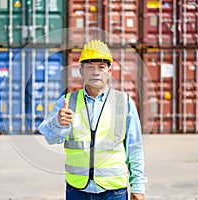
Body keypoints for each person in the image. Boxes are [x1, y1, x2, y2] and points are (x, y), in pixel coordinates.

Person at [38, 40, 147, 200]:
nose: (96, 72)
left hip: (114, 192)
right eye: (90, 67)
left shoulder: (124, 102)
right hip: (77, 190)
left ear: (110, 70)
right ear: (81, 71)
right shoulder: (68, 101)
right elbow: (50, 138)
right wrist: (58, 123)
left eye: (101, 67)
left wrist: (138, 186)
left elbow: (135, 148)